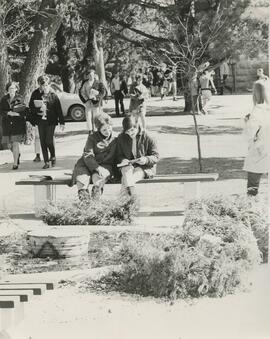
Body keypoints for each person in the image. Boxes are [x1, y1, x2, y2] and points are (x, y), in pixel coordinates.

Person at [71, 113, 117, 200]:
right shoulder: (92, 137)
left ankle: (95, 200)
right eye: (104, 130)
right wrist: (96, 167)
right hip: (86, 163)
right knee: (82, 180)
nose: (107, 131)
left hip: (105, 165)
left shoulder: (116, 138)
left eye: (109, 128)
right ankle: (85, 203)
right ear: (99, 129)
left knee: (98, 181)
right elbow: (88, 154)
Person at [116, 116, 159, 198]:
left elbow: (156, 156)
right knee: (126, 171)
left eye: (132, 130)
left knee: (127, 179)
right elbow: (119, 155)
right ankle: (131, 199)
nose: (130, 133)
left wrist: (146, 159)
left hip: (145, 167)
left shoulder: (148, 137)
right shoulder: (121, 137)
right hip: (128, 166)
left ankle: (125, 200)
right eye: (127, 131)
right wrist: (123, 159)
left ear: (137, 126)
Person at [29, 75, 65, 169]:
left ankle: (53, 156)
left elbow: (59, 109)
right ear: (39, 85)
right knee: (42, 142)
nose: (44, 87)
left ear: (48, 85)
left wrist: (62, 122)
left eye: (46, 85)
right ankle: (46, 162)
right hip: (40, 121)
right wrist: (38, 110)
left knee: (49, 140)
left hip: (51, 120)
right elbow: (31, 107)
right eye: (42, 85)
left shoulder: (53, 95)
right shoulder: (35, 94)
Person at [243, 79, 270, 196]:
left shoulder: (257, 111)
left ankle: (252, 206)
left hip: (260, 149)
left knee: (253, 184)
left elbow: (250, 133)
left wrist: (246, 121)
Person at [0, 82, 27, 169]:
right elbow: (1, 111)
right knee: (9, 145)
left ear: (16, 89)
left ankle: (15, 163)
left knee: (15, 144)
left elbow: (24, 110)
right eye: (10, 88)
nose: (11, 90)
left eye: (13, 88)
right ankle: (17, 154)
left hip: (18, 124)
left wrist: (18, 114)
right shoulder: (4, 99)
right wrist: (8, 113)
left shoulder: (20, 98)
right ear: (7, 89)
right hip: (7, 124)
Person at [79, 67, 106, 132]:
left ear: (94, 75)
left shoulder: (98, 83)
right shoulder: (85, 83)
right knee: (88, 116)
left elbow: (103, 92)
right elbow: (82, 92)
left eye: (92, 75)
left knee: (96, 117)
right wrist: (86, 100)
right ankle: (90, 130)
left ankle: (96, 129)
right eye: (89, 75)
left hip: (96, 102)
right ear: (88, 76)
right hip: (88, 102)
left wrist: (97, 97)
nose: (91, 76)